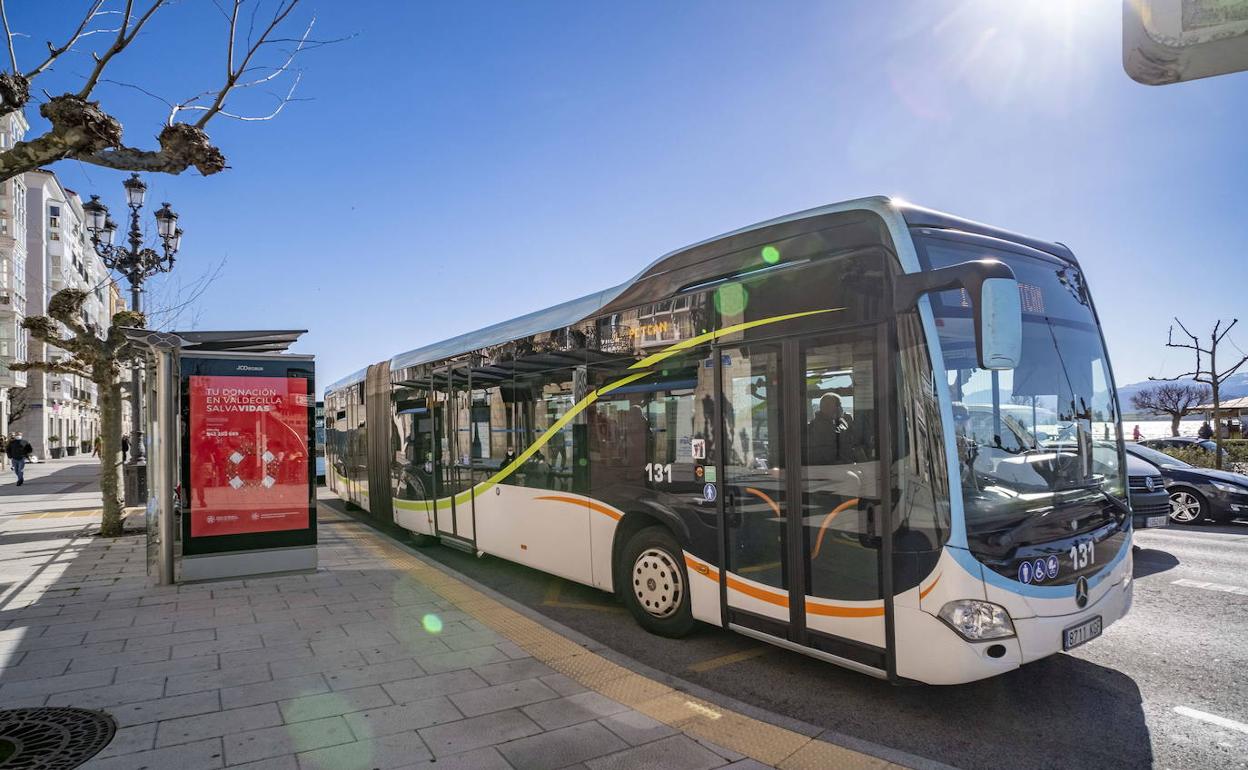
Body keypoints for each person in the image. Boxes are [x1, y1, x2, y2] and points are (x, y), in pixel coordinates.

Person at [806, 394, 857, 465]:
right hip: (829, 467)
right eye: (838, 405)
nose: (841, 408)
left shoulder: (837, 422)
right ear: (826, 407)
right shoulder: (818, 427)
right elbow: (830, 453)